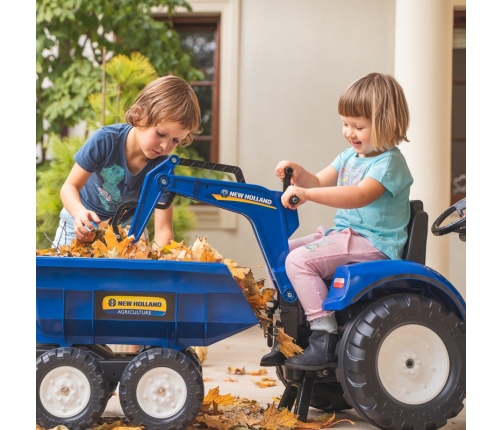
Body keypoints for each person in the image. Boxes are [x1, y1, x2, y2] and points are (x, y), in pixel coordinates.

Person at [260, 72, 414, 371]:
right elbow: (318, 180)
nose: (349, 132)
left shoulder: (389, 163)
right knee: (279, 252)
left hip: (372, 243)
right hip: (344, 235)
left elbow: (359, 195)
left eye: (358, 126)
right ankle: (291, 331)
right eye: (345, 124)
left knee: (299, 261)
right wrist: (298, 172)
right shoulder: (348, 157)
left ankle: (324, 336)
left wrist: (309, 194)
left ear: (387, 124)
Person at [52, 75, 201, 249]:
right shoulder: (105, 140)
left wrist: (157, 262)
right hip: (80, 225)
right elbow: (69, 187)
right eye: (160, 134)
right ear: (139, 115)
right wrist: (79, 213)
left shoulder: (163, 170)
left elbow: (164, 230)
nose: (165, 146)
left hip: (128, 234)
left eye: (176, 140)